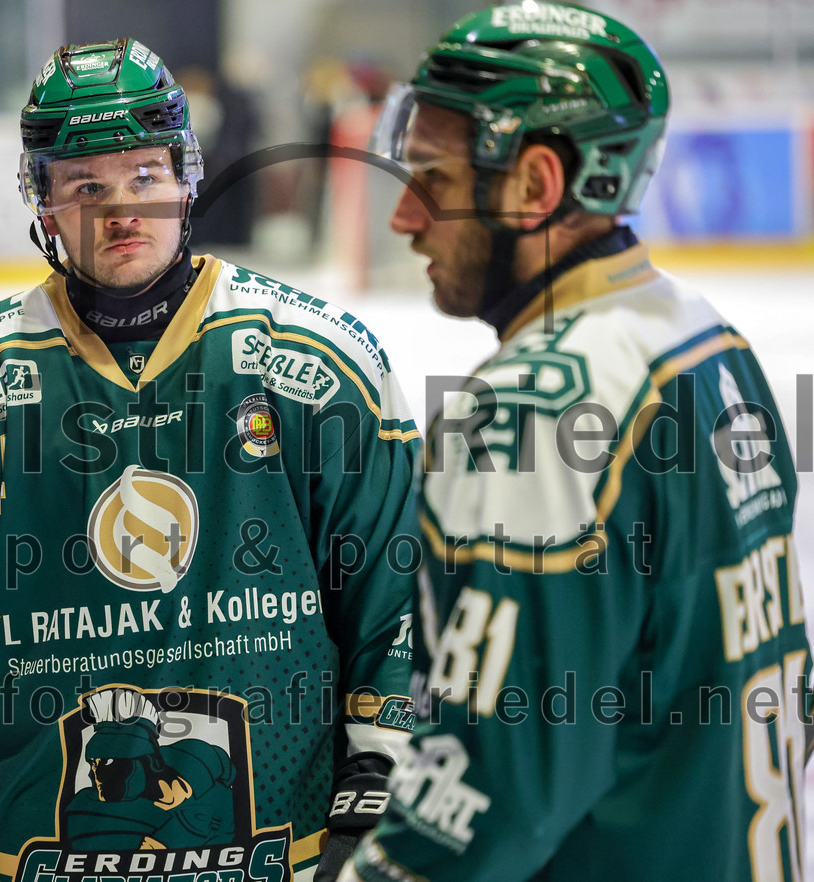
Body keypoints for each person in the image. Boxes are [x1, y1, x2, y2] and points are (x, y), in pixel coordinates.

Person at [0, 38, 420, 882]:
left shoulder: (317, 361)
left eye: (145, 177)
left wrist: (381, 772)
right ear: (42, 204)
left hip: (286, 851)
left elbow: (393, 585)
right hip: (44, 855)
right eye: (86, 187)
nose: (122, 210)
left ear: (188, 178)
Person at [345, 4, 812, 881]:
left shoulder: (533, 414)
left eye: (434, 180)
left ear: (537, 185)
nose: (405, 217)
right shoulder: (712, 347)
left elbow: (485, 805)